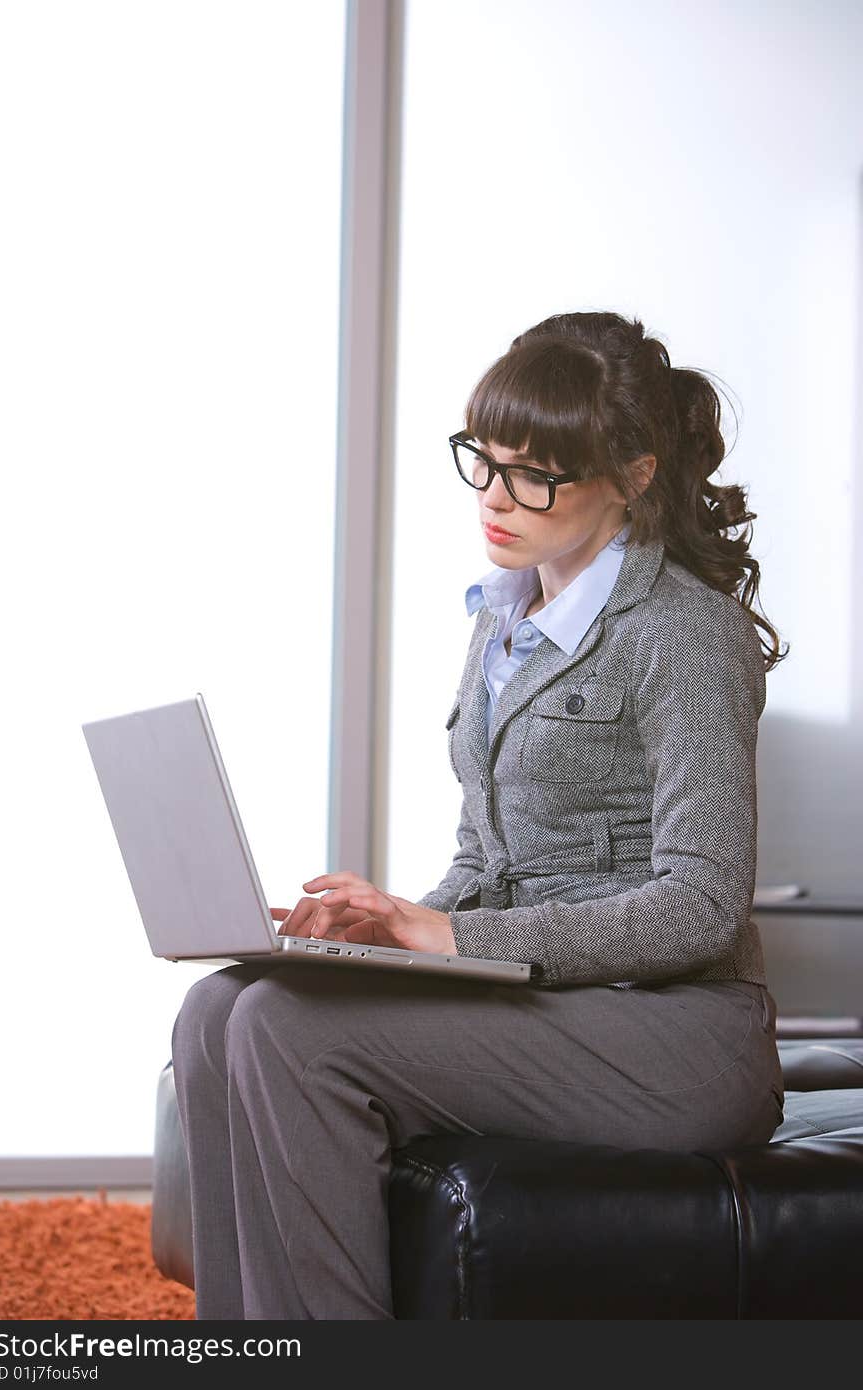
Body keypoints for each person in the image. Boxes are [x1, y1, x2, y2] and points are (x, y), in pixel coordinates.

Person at [171, 309, 788, 1321]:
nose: (496, 498)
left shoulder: (683, 632)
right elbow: (485, 856)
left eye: (537, 473)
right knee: (216, 1009)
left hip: (672, 1037)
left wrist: (447, 935)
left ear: (633, 474)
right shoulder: (506, 611)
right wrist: (379, 935)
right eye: (486, 461)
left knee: (291, 1031)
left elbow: (701, 905)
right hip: (547, 1006)